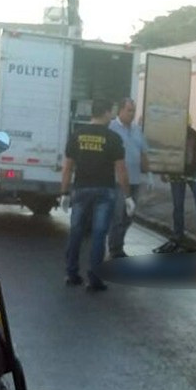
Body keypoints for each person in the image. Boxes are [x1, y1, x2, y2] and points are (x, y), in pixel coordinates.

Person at [59, 98, 133, 292]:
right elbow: (121, 170)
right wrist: (127, 196)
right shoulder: (113, 138)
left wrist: (64, 192)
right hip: (104, 191)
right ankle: (95, 277)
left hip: (81, 188)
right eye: (112, 112)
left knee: (76, 231)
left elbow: (67, 168)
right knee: (99, 234)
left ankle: (72, 273)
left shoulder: (77, 135)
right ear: (107, 113)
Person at [164, 115, 196, 246]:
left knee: (188, 202)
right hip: (182, 173)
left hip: (187, 172)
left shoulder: (183, 134)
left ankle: (184, 232)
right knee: (190, 201)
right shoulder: (182, 134)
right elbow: (168, 154)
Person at [107, 98, 149, 258]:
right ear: (120, 111)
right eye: (129, 110)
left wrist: (150, 171)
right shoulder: (111, 128)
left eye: (133, 111)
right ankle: (115, 249)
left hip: (135, 180)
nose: (132, 114)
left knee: (129, 217)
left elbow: (143, 152)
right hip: (118, 181)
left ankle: (118, 244)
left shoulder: (137, 130)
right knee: (118, 215)